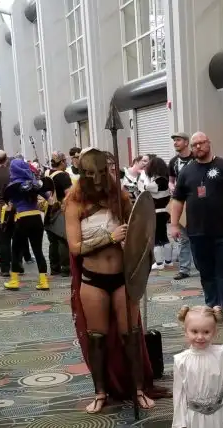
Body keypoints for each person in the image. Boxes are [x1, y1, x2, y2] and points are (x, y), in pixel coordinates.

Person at [64, 147, 168, 413]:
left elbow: (139, 230)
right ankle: (100, 393)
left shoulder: (119, 198)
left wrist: (131, 241)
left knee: (131, 335)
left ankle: (138, 390)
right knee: (97, 338)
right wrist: (109, 238)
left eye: (101, 173)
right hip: (93, 280)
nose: (97, 179)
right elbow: (75, 247)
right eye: (90, 174)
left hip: (122, 277)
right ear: (82, 174)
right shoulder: (74, 203)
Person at [169, 131, 223, 320]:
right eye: (194, 144)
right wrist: (174, 224)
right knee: (206, 273)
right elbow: (177, 200)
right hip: (197, 232)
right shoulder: (186, 171)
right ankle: (212, 306)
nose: (198, 147)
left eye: (201, 143)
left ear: (208, 143)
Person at [3, 159, 51, 291]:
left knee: (16, 250)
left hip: (22, 219)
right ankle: (43, 281)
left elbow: (9, 204)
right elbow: (49, 197)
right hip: (36, 218)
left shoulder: (13, 186)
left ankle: (14, 281)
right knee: (38, 250)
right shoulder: (34, 183)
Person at [168, 132, 193, 280]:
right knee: (183, 238)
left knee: (200, 237)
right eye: (174, 140)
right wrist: (172, 186)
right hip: (180, 203)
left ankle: (203, 265)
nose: (175, 143)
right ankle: (184, 269)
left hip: (196, 202)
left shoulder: (196, 159)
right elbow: (171, 180)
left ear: (186, 142)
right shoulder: (173, 162)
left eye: (178, 140)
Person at [45, 151, 73, 277]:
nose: (66, 163)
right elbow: (69, 194)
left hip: (48, 210)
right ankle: (66, 268)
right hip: (60, 210)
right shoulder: (63, 176)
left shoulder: (46, 173)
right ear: (61, 162)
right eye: (65, 161)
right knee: (63, 239)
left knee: (53, 241)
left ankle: (54, 267)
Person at [143, 156, 173, 270]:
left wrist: (143, 179)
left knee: (156, 238)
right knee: (164, 236)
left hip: (157, 213)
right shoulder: (165, 180)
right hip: (164, 212)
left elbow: (145, 187)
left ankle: (159, 263)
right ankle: (168, 261)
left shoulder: (158, 182)